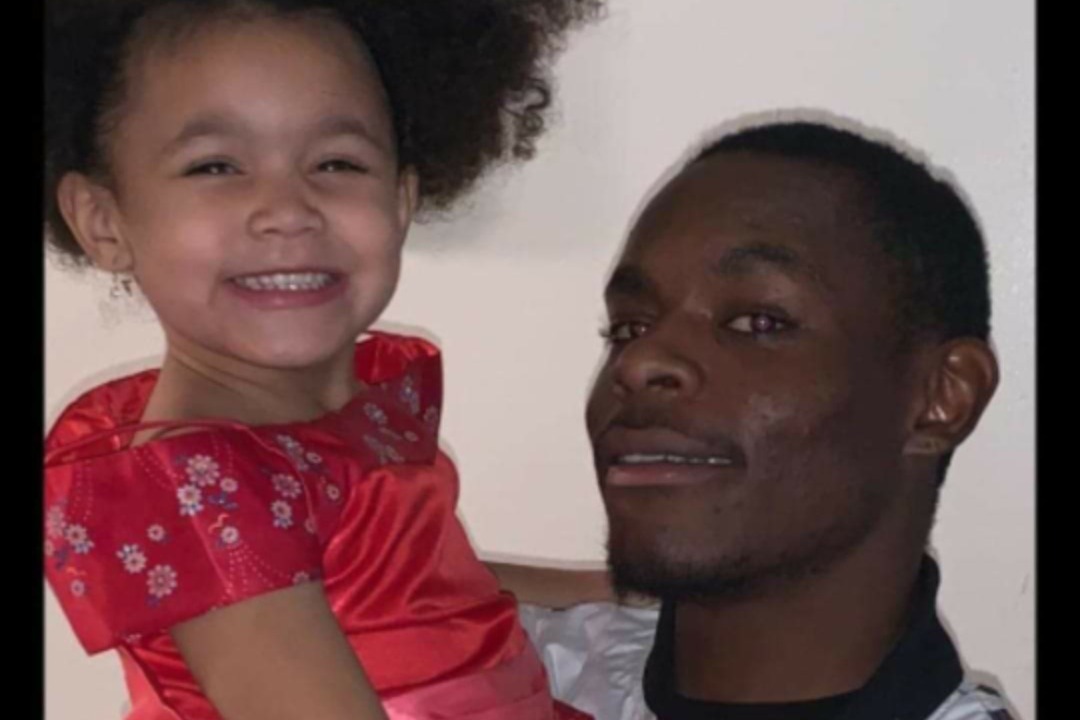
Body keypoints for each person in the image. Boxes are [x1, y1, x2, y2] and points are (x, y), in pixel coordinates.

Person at [42, 1, 606, 718]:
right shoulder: (194, 492)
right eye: (215, 166)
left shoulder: (337, 415)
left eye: (336, 163)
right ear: (104, 223)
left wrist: (623, 590)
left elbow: (417, 587)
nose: (288, 209)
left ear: (400, 201)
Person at [581, 119, 1015, 720]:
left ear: (942, 396)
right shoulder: (500, 672)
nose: (638, 362)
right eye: (628, 327)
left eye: (758, 323)